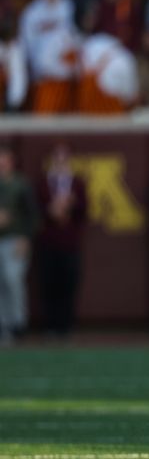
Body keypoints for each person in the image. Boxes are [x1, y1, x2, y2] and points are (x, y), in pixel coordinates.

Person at [35, 143, 88, 337]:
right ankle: (51, 325)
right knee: (49, 284)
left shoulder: (77, 183)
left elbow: (84, 211)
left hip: (70, 243)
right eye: (57, 158)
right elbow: (35, 210)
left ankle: (66, 325)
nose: (60, 162)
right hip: (48, 242)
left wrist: (70, 205)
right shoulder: (43, 183)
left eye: (64, 158)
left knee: (69, 284)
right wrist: (51, 210)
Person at [0, 146, 39, 346]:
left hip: (14, 239)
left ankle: (17, 323)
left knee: (12, 279)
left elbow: (32, 214)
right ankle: (3, 325)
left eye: (4, 159)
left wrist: (25, 237)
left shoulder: (21, 184)